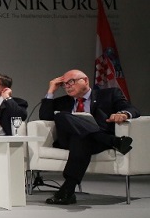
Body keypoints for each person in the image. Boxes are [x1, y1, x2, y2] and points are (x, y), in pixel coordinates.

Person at [39, 69, 139, 205]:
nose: (67, 86)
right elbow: (44, 116)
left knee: (81, 139)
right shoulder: (62, 101)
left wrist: (123, 114)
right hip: (70, 140)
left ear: (85, 80)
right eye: (64, 84)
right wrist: (51, 91)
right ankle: (112, 141)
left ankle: (68, 190)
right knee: (61, 116)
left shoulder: (109, 94)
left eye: (71, 82)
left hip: (92, 143)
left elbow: (132, 109)